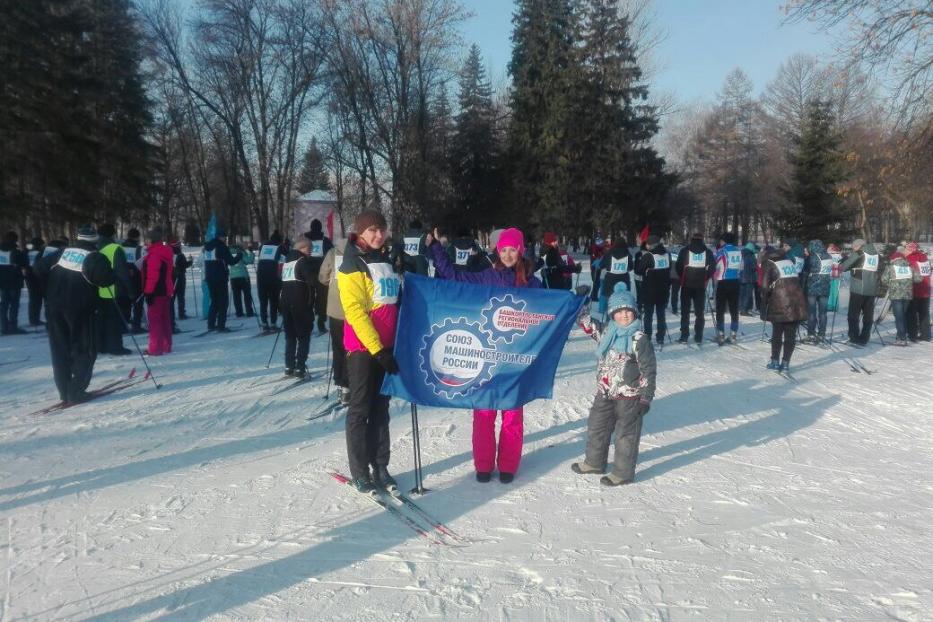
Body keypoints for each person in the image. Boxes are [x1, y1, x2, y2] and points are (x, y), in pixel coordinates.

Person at [426, 226, 542, 484]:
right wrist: (436, 248)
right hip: (487, 359)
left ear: (520, 251)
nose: (509, 254)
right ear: (497, 251)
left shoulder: (532, 283)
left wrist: (572, 304)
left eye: (513, 249)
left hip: (515, 359)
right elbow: (454, 277)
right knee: (484, 415)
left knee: (512, 415)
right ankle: (483, 464)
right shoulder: (487, 277)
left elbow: (547, 314)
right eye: (504, 249)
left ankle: (509, 466)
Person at [337, 210, 402, 493]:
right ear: (360, 232)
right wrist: (377, 350)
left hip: (386, 348)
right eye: (372, 230)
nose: (378, 235)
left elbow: (391, 303)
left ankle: (381, 465)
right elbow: (355, 313)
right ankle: (360, 470)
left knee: (381, 409)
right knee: (361, 409)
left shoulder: (384, 259)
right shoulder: (352, 264)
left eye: (382, 229)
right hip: (364, 349)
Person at [572, 282, 656, 486]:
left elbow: (648, 369)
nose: (624, 315)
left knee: (626, 435)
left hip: (630, 396)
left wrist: (645, 397)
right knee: (597, 427)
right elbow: (583, 322)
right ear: (612, 314)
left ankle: (622, 472)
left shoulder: (639, 339)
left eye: (628, 311)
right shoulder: (606, 333)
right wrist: (580, 300)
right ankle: (594, 462)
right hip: (605, 392)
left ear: (635, 313)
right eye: (619, 312)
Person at [33, 226, 115, 403]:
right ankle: (76, 391)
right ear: (95, 240)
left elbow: (38, 268)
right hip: (81, 309)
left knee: (60, 348)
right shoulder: (95, 257)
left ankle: (64, 390)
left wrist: (48, 289)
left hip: (54, 306)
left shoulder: (62, 252)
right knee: (84, 348)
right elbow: (107, 280)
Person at [760, 247, 807, 372]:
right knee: (790, 335)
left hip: (779, 303)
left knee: (777, 333)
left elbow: (764, 287)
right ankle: (785, 363)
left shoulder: (770, 265)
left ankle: (775, 361)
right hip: (796, 302)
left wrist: (764, 304)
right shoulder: (789, 263)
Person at [319, 237, 350, 405]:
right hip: (354, 310)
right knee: (354, 349)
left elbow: (322, 277)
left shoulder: (332, 253)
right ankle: (352, 384)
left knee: (338, 348)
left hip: (336, 309)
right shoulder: (359, 253)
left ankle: (342, 385)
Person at [279, 239, 316, 377]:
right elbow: (312, 281)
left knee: (290, 335)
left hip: (286, 303)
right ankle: (300, 367)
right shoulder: (302, 261)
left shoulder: (287, 262)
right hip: (300, 303)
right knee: (303, 336)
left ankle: (289, 366)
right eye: (309, 250)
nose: (310, 253)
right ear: (303, 248)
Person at [95, 224, 132, 355]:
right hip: (113, 289)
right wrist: (130, 290)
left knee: (101, 319)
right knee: (114, 321)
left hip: (97, 288)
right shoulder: (115, 248)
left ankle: (101, 345)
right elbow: (122, 272)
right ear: (112, 235)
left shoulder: (95, 247)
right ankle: (115, 347)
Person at [839, 238, 882, 345]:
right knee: (868, 315)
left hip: (858, 288)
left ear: (859, 246)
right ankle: (864, 338)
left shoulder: (859, 253)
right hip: (872, 289)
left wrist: (844, 261)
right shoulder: (876, 255)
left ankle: (854, 338)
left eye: (854, 247)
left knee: (853, 314)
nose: (853, 249)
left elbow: (844, 267)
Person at [675, 233, 715, 343]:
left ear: (691, 239)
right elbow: (713, 268)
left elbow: (678, 266)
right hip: (700, 286)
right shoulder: (708, 252)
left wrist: (682, 277)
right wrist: (706, 277)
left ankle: (684, 336)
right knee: (699, 312)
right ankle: (698, 336)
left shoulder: (685, 251)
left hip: (686, 285)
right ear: (702, 240)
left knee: (685, 312)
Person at [141, 227, 175, 355]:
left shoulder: (154, 255)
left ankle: (155, 348)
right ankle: (166, 345)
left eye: (147, 240)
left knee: (155, 321)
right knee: (164, 318)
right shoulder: (164, 251)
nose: (146, 242)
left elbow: (152, 276)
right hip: (165, 290)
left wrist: (148, 292)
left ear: (152, 240)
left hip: (156, 291)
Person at [202, 227, 243, 332]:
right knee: (223, 302)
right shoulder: (221, 247)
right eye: (224, 237)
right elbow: (231, 261)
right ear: (221, 237)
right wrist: (239, 255)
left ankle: (211, 324)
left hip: (209, 277)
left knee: (214, 301)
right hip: (220, 277)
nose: (225, 239)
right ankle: (221, 325)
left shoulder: (207, 247)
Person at [635, 235, 670, 345]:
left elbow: (639, 271)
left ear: (652, 245)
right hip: (663, 289)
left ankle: (648, 336)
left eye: (648, 244)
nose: (647, 246)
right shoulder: (667, 254)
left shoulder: (648, 256)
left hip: (650, 289)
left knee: (648, 314)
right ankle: (660, 336)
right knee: (661, 314)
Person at [880, 246, 919, 346]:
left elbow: (883, 280)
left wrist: (891, 282)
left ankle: (902, 338)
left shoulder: (891, 267)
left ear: (893, 259)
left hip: (896, 295)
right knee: (902, 316)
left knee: (899, 317)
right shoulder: (909, 267)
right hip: (907, 295)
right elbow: (919, 279)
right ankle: (900, 335)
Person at [303, 218, 334, 335]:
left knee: (308, 299)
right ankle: (321, 324)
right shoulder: (325, 240)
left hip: (306, 274)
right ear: (321, 228)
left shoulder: (305, 240)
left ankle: (308, 324)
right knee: (322, 300)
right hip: (322, 274)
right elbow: (331, 254)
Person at [713, 232, 742, 345]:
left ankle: (721, 334)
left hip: (723, 282)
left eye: (721, 240)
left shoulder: (722, 251)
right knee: (734, 308)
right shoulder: (738, 251)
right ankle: (733, 334)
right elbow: (741, 266)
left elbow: (716, 265)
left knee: (720, 309)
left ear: (724, 241)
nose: (720, 242)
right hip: (735, 282)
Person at [256, 231, 287, 331]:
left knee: (263, 301)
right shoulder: (279, 246)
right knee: (273, 300)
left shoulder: (263, 246)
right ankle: (273, 323)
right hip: (273, 277)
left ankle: (264, 323)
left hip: (261, 276)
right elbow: (288, 254)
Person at [803, 239, 832, 343]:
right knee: (823, 313)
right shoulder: (828, 256)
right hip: (825, 287)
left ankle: (811, 334)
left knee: (811, 312)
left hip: (813, 288)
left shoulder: (812, 257)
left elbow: (806, 270)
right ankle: (822, 333)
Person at [0, 231, 29, 335]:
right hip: (14, 282)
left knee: (4, 305)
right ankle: (13, 326)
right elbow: (24, 264)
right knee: (14, 305)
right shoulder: (16, 252)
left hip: (2, 283)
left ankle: (4, 327)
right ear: (15, 240)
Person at [600, 237, 634, 321]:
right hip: (624, 280)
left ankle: (609, 324)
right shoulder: (627, 254)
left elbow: (601, 265)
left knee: (610, 303)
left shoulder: (609, 253)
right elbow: (631, 267)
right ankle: (622, 322)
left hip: (610, 281)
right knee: (623, 303)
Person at [120, 228, 145, 333]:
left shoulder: (121, 248)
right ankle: (136, 325)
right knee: (137, 304)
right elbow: (142, 263)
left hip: (123, 278)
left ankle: (124, 325)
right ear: (137, 237)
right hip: (136, 279)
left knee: (125, 303)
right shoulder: (139, 249)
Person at [905, 242, 930, 342]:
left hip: (915, 290)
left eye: (906, 248)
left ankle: (912, 335)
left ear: (910, 249)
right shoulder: (924, 257)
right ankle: (926, 335)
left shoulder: (910, 258)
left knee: (911, 313)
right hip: (926, 290)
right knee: (924, 313)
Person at [228, 241, 256, 318]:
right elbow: (249, 260)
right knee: (247, 295)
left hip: (233, 276)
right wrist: (250, 251)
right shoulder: (240, 252)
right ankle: (249, 312)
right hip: (243, 276)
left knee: (236, 296)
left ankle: (239, 312)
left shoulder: (229, 252)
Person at [25, 237, 46, 327]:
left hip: (29, 276)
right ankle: (36, 319)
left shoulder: (26, 252)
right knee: (39, 299)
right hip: (38, 277)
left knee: (33, 300)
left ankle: (33, 319)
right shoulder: (42, 253)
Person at [171, 239, 192, 320]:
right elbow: (184, 265)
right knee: (180, 296)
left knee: (172, 296)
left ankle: (171, 313)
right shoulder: (180, 254)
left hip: (172, 277)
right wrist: (190, 262)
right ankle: (181, 313)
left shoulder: (170, 254)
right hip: (180, 277)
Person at [739, 242, 758, 316]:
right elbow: (754, 267)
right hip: (749, 277)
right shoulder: (751, 255)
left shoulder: (741, 254)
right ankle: (744, 310)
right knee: (748, 294)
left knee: (742, 294)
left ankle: (741, 308)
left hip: (741, 276)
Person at [668, 242, 682, 315]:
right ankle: (674, 308)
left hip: (669, 276)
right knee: (675, 293)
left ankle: (665, 304)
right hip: (677, 277)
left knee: (666, 291)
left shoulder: (668, 254)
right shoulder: (681, 254)